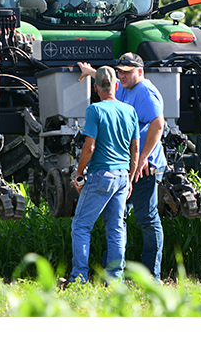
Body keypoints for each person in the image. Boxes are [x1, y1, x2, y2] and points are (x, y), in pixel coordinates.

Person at [77, 52, 167, 279]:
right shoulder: (125, 88)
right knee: (118, 222)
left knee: (146, 218)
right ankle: (114, 274)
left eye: (128, 72)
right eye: (120, 72)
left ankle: (151, 276)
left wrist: (144, 157)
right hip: (127, 168)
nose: (123, 75)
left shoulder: (144, 90)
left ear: (140, 71)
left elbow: (158, 124)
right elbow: (108, 83)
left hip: (145, 167)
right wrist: (91, 73)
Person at [68, 66, 139, 284]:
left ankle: (79, 277)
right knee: (116, 229)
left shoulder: (95, 110)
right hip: (121, 176)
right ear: (116, 86)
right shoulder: (130, 111)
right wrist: (130, 178)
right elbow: (135, 148)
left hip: (101, 175)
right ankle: (115, 279)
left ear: (96, 88)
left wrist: (79, 174)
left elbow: (89, 148)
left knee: (81, 226)